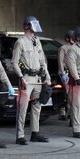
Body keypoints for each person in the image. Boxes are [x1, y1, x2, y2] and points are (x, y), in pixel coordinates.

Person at [11, 15, 51, 144]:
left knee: (37, 105)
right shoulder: (20, 42)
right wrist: (21, 77)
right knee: (23, 107)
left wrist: (47, 76)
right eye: (33, 24)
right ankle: (20, 136)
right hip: (27, 78)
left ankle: (35, 132)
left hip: (38, 78)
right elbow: (14, 62)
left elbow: (42, 60)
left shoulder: (37, 41)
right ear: (27, 26)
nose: (35, 27)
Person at [57, 29, 74, 121]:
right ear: (68, 38)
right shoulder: (63, 48)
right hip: (66, 73)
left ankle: (70, 114)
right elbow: (60, 62)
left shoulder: (75, 47)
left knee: (73, 95)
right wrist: (62, 74)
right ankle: (66, 113)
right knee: (68, 94)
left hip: (73, 73)